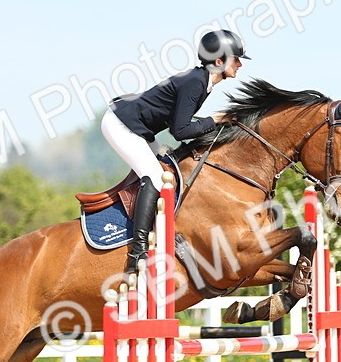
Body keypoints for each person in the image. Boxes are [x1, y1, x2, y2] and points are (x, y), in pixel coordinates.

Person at [102, 29, 250, 274]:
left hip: (139, 129)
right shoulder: (196, 82)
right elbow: (180, 131)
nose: (240, 64)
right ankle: (137, 253)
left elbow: (178, 123)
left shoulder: (202, 81)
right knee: (155, 176)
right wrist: (215, 120)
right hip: (121, 124)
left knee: (168, 168)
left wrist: (217, 122)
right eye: (236, 59)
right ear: (219, 61)